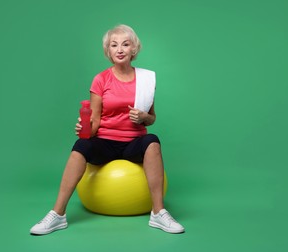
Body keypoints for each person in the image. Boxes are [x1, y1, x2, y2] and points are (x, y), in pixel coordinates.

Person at [30, 24, 185, 235]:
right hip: (105, 141)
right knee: (81, 145)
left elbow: (152, 119)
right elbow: (93, 122)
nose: (120, 49)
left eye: (125, 44)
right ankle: (57, 215)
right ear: (108, 51)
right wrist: (84, 128)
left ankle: (158, 213)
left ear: (133, 49)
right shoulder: (101, 79)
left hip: (134, 142)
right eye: (114, 45)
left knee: (153, 141)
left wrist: (143, 117)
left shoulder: (146, 79)